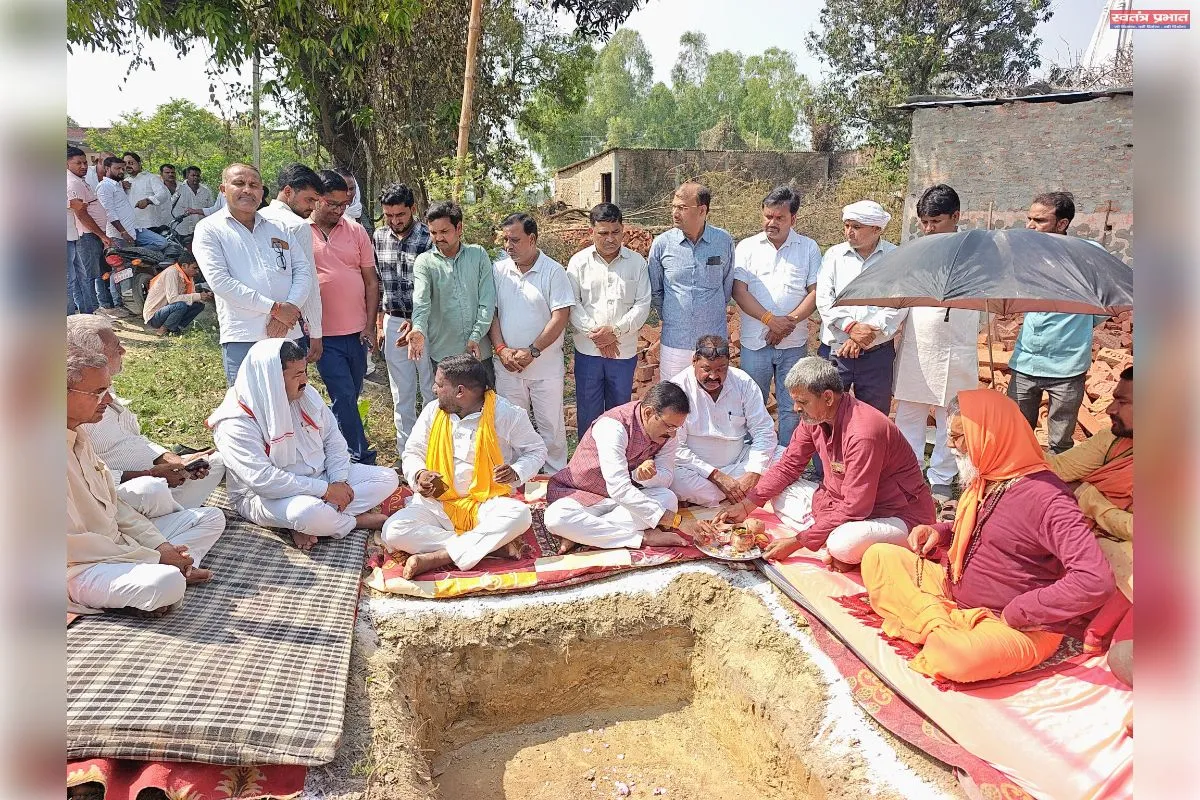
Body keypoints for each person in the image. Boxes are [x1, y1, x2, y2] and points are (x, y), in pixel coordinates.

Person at [859, 389, 1115, 683]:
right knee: (878, 556)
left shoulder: (1049, 498)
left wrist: (1021, 610)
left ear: (989, 437)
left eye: (958, 437)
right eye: (950, 436)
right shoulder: (988, 476)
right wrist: (939, 533)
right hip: (953, 589)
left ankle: (932, 622)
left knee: (953, 656)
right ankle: (941, 622)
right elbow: (985, 532)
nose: (950, 445)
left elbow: (1095, 579)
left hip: (1013, 625)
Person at [67, 323, 226, 616]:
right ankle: (165, 577)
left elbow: (116, 507)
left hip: (119, 544)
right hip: (78, 567)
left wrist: (160, 547)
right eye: (98, 392)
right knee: (164, 582)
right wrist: (151, 556)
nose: (107, 401)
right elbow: (70, 546)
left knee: (212, 518)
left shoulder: (78, 433)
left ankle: (176, 569)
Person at [719, 357, 936, 570]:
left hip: (894, 516)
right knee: (777, 492)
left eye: (802, 402)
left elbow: (856, 507)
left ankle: (836, 545)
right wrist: (746, 506)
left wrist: (797, 542)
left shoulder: (864, 433)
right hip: (839, 504)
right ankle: (831, 541)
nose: (795, 408)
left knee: (843, 543)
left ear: (828, 398)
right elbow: (789, 465)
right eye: (795, 401)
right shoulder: (814, 418)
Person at [209, 339, 398, 551]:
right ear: (271, 380)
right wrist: (325, 491)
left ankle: (312, 523)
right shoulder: (235, 422)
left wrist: (338, 481)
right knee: (307, 513)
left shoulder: (305, 394)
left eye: (305, 371)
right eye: (297, 375)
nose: (305, 380)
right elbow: (263, 481)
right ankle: (351, 522)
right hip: (267, 496)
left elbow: (333, 439)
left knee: (387, 478)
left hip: (321, 477)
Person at [381, 354, 548, 578]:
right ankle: (489, 547)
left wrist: (516, 472)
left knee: (520, 515)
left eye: (440, 385)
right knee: (393, 531)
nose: (434, 389)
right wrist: (419, 474)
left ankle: (440, 556)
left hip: (485, 504)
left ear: (460, 391)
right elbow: (413, 451)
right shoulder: (432, 411)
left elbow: (536, 450)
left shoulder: (506, 414)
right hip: (437, 504)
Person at [72, 315, 226, 510]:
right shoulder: (75, 407)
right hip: (116, 492)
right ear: (92, 355)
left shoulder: (104, 389)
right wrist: (150, 475)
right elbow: (83, 478)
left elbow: (135, 440)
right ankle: (166, 517)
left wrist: (177, 461)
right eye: (116, 347)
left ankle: (169, 515)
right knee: (151, 491)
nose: (123, 351)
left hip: (156, 480)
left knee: (216, 462)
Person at [892, 185, 982, 503]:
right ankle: (907, 475)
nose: (929, 229)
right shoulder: (916, 253)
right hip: (918, 344)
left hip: (957, 346)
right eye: (925, 222)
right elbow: (901, 296)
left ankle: (942, 479)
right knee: (909, 414)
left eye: (936, 221)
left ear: (955, 217)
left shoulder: (975, 254)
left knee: (951, 417)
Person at [1047, 365, 1133, 677]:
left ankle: (1101, 636)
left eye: (1122, 402)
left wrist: (1089, 498)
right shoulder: (1113, 439)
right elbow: (1058, 468)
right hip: (1096, 540)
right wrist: (1012, 450)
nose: (1110, 409)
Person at [192, 163, 313, 385]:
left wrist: (290, 308)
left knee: (293, 399)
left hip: (289, 333)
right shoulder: (209, 229)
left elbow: (303, 271)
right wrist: (276, 309)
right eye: (239, 183)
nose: (247, 190)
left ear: (262, 191)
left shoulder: (279, 228)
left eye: (254, 185)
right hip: (244, 336)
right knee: (248, 402)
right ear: (223, 189)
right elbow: (220, 282)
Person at [544, 382, 696, 553]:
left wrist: (644, 476)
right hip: (581, 495)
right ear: (648, 413)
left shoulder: (668, 435)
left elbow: (666, 478)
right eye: (670, 426)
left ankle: (581, 534)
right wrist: (676, 521)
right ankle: (642, 537)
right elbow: (619, 488)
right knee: (557, 518)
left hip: (624, 500)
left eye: (677, 428)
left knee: (668, 499)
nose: (673, 434)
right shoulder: (613, 426)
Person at [1009, 191, 1108, 453]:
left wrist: (1082, 322)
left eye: (1039, 220)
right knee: (1016, 436)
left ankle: (1055, 479)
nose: (1030, 226)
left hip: (1067, 366)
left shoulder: (1087, 255)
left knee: (1060, 443)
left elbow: (1108, 298)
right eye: (1029, 218)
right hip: (1026, 361)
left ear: (1062, 224)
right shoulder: (1026, 255)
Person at [732, 185, 821, 445]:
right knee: (752, 404)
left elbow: (815, 292)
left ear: (793, 218)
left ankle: (787, 458)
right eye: (767, 216)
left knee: (792, 406)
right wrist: (770, 321)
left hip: (793, 344)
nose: (771, 222)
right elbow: (739, 291)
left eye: (779, 217)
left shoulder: (808, 248)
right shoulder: (747, 247)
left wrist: (787, 324)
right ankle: (752, 457)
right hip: (755, 343)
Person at [489, 213, 574, 473]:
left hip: (545, 367)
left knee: (551, 428)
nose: (508, 246)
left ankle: (554, 478)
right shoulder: (498, 270)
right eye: (505, 240)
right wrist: (501, 350)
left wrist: (533, 351)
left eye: (515, 240)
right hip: (508, 367)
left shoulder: (553, 271)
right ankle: (514, 478)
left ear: (533, 239)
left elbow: (561, 316)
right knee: (510, 427)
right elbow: (492, 313)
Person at [308, 169, 379, 465]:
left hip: (357, 332)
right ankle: (359, 456)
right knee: (344, 394)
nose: (339, 210)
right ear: (316, 199)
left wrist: (370, 326)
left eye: (344, 204)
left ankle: (333, 446)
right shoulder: (299, 231)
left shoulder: (356, 230)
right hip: (323, 335)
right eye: (332, 204)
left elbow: (371, 281)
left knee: (350, 393)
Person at [565, 202, 652, 436]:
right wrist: (598, 336)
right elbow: (572, 304)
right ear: (591, 231)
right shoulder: (578, 263)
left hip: (622, 353)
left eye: (615, 232)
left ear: (623, 229)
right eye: (603, 233)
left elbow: (642, 305)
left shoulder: (637, 263)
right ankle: (588, 457)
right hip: (588, 352)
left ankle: (618, 456)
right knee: (588, 413)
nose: (610, 239)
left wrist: (614, 332)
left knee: (619, 414)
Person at [814, 200, 906, 416]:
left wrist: (862, 336)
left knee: (874, 417)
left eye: (856, 227)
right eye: (846, 225)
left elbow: (899, 303)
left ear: (876, 229)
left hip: (876, 354)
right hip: (835, 351)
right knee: (825, 416)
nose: (849, 232)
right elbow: (824, 299)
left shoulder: (896, 257)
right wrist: (851, 327)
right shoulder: (834, 255)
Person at [668, 335, 778, 507]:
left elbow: (763, 430)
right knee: (675, 481)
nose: (713, 376)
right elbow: (675, 447)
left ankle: (728, 493)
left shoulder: (743, 382)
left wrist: (754, 472)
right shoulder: (678, 388)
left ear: (729, 363)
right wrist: (715, 475)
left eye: (721, 369)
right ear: (694, 361)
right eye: (706, 369)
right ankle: (745, 492)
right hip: (697, 471)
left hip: (739, 462)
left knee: (782, 457)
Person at [648, 182, 735, 380]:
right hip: (675, 341)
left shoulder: (723, 241)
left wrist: (707, 311)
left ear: (702, 210)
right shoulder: (662, 244)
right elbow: (656, 291)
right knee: (673, 395)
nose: (675, 213)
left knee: (712, 393)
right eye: (673, 206)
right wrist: (673, 315)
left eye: (682, 207)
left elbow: (726, 286)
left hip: (713, 343)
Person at [374, 183, 435, 453]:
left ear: (413, 209)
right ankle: (408, 454)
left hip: (426, 323)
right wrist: (379, 322)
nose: (395, 221)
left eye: (400, 214)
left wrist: (418, 321)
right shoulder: (379, 237)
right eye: (389, 215)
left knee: (432, 388)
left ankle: (435, 449)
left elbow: (437, 285)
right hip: (394, 322)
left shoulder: (429, 237)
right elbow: (377, 282)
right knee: (402, 393)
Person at [407, 201, 496, 385]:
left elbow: (487, 302)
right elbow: (421, 302)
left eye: (444, 231)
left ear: (459, 228)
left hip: (479, 352)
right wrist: (418, 329)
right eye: (433, 232)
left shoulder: (478, 255)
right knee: (448, 402)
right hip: (444, 355)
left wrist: (476, 335)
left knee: (486, 401)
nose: (438, 238)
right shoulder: (424, 262)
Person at [259, 163, 325, 365]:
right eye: (309, 199)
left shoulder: (256, 218)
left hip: (253, 323)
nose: (312, 207)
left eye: (315, 201)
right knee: (289, 381)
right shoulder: (297, 226)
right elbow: (307, 280)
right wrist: (316, 332)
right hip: (287, 325)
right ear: (288, 191)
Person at [94, 156, 146, 317]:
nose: (121, 171)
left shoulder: (117, 185)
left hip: (128, 234)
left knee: (125, 270)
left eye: (122, 168)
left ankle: (125, 303)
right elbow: (109, 212)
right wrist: (122, 231)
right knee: (120, 270)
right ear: (107, 169)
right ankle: (119, 304)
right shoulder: (104, 187)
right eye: (117, 168)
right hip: (117, 236)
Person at [67, 146, 108, 316]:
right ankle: (82, 314)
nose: (83, 166)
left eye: (85, 163)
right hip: (81, 236)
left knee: (86, 276)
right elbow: (81, 214)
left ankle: (90, 311)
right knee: (79, 278)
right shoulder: (72, 183)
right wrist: (101, 235)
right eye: (78, 163)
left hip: (82, 235)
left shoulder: (79, 180)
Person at [141, 251, 212, 335]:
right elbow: (173, 299)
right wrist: (198, 296)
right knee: (180, 305)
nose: (197, 271)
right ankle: (163, 330)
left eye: (198, 269)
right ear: (184, 266)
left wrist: (205, 296)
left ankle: (176, 329)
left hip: (168, 310)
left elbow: (190, 296)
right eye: (195, 268)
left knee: (199, 305)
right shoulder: (172, 272)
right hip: (154, 317)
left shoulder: (188, 276)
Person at [123, 151, 171, 234]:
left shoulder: (151, 178)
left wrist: (148, 201)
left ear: (139, 163)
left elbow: (163, 195)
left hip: (149, 224)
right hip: (131, 226)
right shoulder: (125, 182)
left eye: (131, 163)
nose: (128, 166)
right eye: (125, 164)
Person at [171, 166, 215, 239]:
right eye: (193, 175)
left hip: (201, 229)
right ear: (187, 176)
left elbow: (211, 209)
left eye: (198, 176)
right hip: (182, 230)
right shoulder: (178, 189)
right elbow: (171, 205)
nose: (196, 178)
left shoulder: (206, 191)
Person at [157, 163, 179, 229]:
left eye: (172, 172)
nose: (170, 174)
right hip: (161, 225)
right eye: (167, 172)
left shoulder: (182, 187)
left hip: (180, 225)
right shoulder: (156, 188)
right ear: (161, 174)